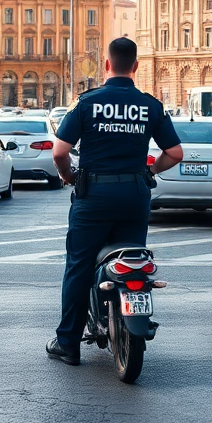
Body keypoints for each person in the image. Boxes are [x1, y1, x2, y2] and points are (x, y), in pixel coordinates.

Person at [46, 37, 184, 366]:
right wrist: (150, 168)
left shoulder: (88, 102)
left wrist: (68, 176)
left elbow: (60, 152)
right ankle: (130, 316)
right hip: (134, 195)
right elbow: (175, 154)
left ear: (107, 65)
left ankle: (68, 342)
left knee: (79, 266)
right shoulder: (150, 105)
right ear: (135, 67)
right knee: (132, 259)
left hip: (93, 196)